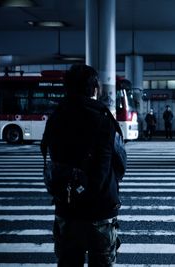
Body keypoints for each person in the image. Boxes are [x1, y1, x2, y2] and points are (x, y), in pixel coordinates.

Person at [40, 64, 124, 266]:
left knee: (69, 262)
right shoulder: (104, 118)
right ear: (94, 88)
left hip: (67, 206)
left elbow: (51, 158)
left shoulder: (56, 117)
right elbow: (120, 164)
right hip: (100, 207)